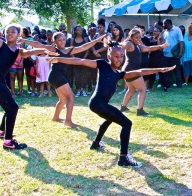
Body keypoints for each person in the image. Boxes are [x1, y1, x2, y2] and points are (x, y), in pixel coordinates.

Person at [46, 42, 175, 167]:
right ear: (109, 56)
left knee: (110, 118)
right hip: (97, 103)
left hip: (98, 104)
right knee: (127, 123)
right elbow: (80, 61)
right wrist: (59, 60)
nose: (119, 59)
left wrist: (160, 70)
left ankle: (96, 143)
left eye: (121, 56)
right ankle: (123, 158)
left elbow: (140, 71)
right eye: (115, 56)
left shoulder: (119, 74)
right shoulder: (102, 65)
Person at [18, 32, 107, 127]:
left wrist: (96, 41)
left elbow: (83, 47)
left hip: (59, 76)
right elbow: (39, 45)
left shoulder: (69, 50)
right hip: (56, 76)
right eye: (59, 40)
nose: (62, 42)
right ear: (54, 41)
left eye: (64, 39)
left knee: (63, 100)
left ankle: (56, 117)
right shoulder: (53, 49)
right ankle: (68, 121)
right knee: (71, 97)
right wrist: (24, 40)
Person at [0, 24, 55, 149]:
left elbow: (32, 51)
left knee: (10, 107)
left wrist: (45, 50)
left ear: (18, 34)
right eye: (7, 31)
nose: (9, 34)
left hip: (1, 81)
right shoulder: (1, 44)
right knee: (12, 108)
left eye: (12, 32)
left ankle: (2, 132)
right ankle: (8, 142)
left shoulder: (18, 51)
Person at [119, 28, 169, 116]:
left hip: (127, 70)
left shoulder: (137, 45)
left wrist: (160, 46)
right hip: (131, 70)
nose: (138, 39)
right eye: (136, 37)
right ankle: (140, 110)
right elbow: (124, 45)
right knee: (142, 90)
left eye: (140, 37)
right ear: (131, 37)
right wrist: (117, 43)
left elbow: (147, 48)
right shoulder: (129, 43)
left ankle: (123, 107)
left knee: (131, 89)